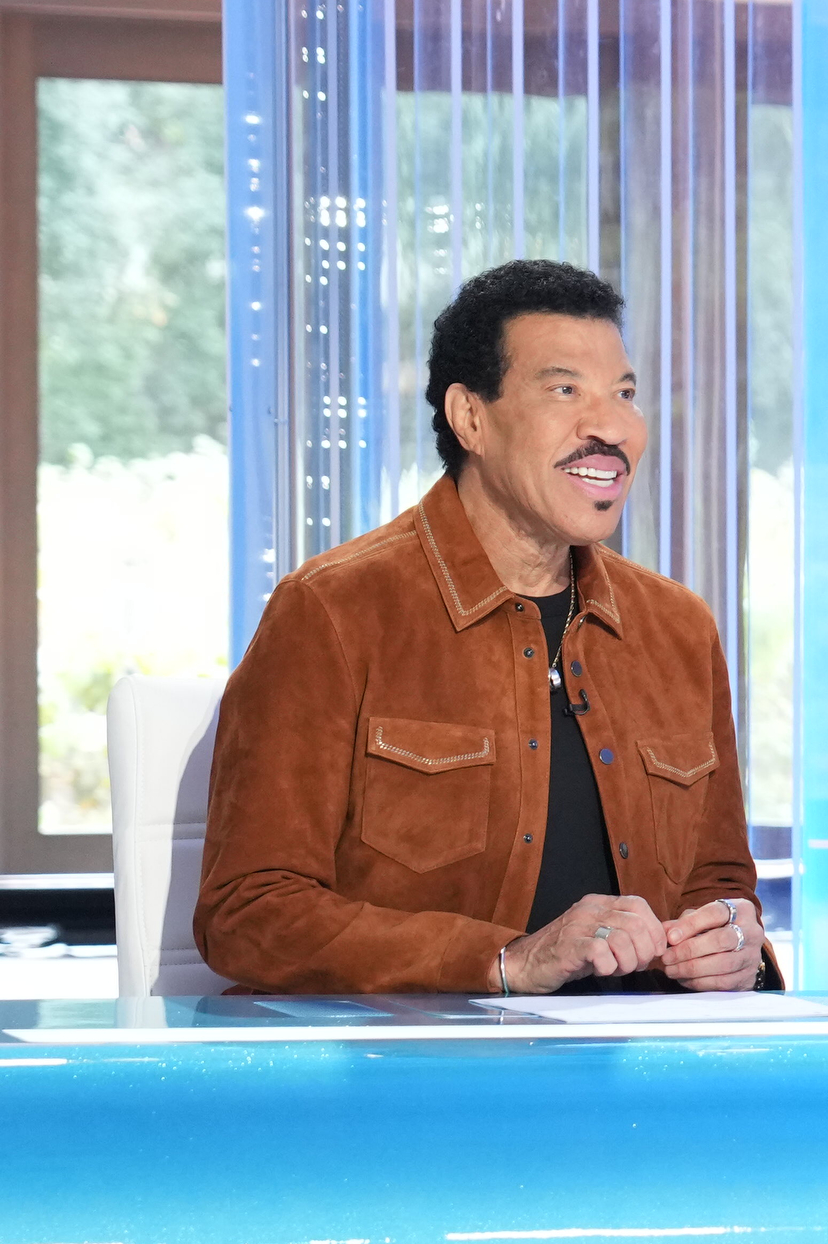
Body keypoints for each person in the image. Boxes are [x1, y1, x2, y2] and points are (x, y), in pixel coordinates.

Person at [195, 260, 769, 995]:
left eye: (625, 394)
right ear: (471, 418)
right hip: (430, 1085)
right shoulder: (332, 612)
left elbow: (719, 884)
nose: (612, 427)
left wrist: (733, 942)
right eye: (566, 390)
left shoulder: (680, 629)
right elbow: (247, 913)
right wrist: (506, 960)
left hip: (647, 1079)